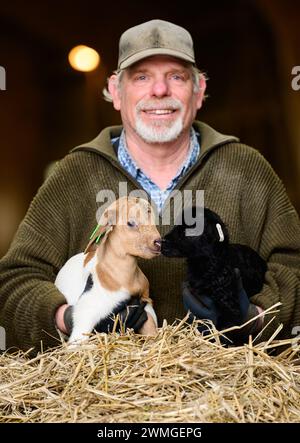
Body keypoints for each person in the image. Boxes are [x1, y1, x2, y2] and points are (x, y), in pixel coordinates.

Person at [0, 19, 300, 354]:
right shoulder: (74, 176)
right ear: (116, 91)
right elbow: (15, 281)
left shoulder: (248, 170)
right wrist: (72, 318)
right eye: (142, 77)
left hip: (229, 393)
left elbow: (294, 265)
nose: (159, 91)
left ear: (199, 91)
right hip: (105, 393)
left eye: (176, 76)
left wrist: (255, 317)